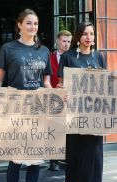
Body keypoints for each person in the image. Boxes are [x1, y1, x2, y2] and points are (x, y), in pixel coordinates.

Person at [0, 9, 52, 182]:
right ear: (20, 25)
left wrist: (57, 96)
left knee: (34, 162)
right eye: (29, 23)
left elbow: (47, 82)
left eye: (36, 24)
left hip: (38, 110)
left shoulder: (45, 51)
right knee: (15, 160)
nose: (33, 27)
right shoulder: (8, 48)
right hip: (15, 110)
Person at [57, 22, 109, 182]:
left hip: (95, 114)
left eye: (92, 34)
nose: (89, 37)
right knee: (74, 150)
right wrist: (63, 91)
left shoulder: (99, 57)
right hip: (74, 113)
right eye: (85, 34)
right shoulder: (68, 57)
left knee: (96, 154)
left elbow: (105, 84)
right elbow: (61, 85)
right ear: (78, 36)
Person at [49, 30, 72, 171]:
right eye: (64, 41)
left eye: (69, 41)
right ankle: (54, 161)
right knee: (54, 129)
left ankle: (67, 158)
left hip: (69, 99)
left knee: (68, 130)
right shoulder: (49, 57)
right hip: (52, 97)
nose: (66, 44)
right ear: (58, 41)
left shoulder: (74, 58)